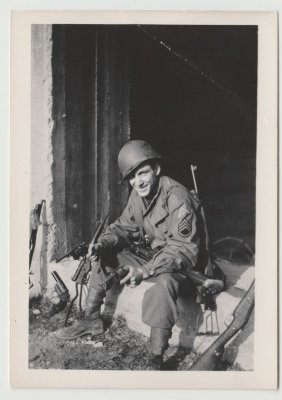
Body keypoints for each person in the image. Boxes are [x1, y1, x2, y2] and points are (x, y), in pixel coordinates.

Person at [57, 140, 218, 370]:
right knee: (107, 254)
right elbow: (123, 227)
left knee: (164, 282)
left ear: (156, 169)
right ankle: (91, 319)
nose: (138, 181)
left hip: (182, 266)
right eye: (132, 177)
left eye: (143, 173)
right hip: (154, 257)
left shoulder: (177, 198)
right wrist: (101, 244)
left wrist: (145, 270)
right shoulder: (138, 194)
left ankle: (156, 357)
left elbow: (184, 251)